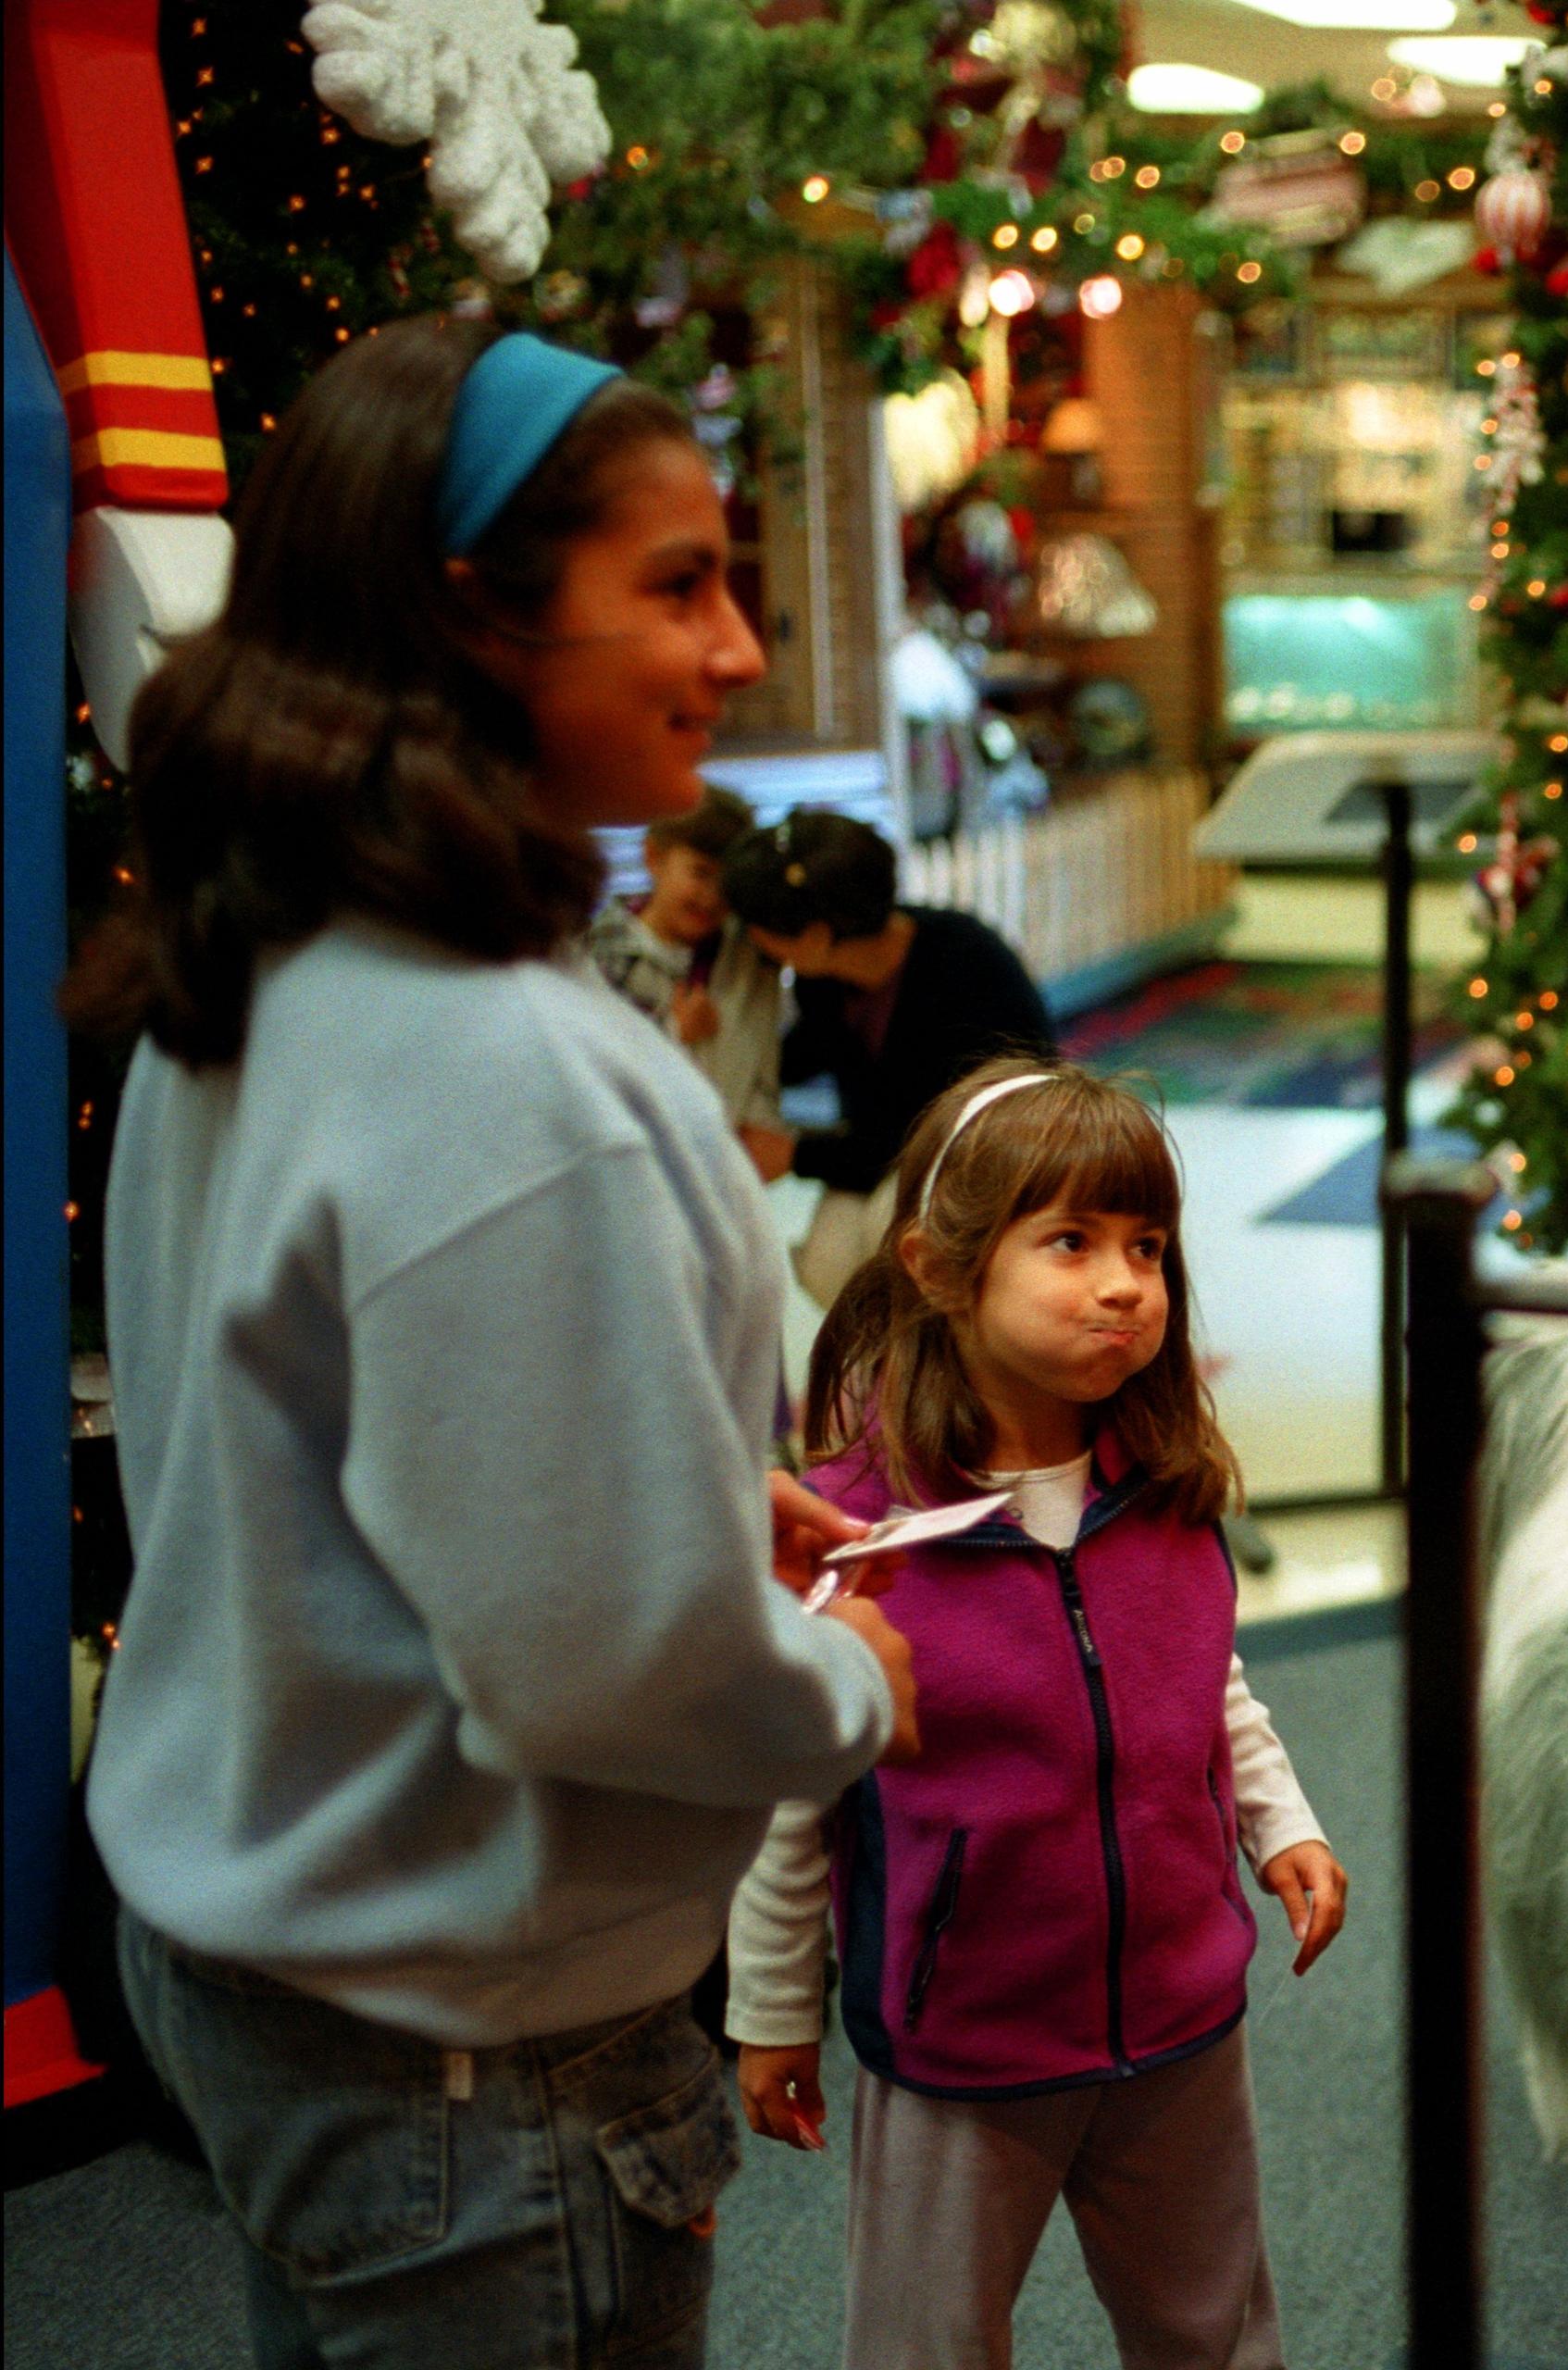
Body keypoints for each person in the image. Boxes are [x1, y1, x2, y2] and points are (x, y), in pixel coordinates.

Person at [63, 320, 925, 2368]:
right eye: (676, 584)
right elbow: (601, 1661)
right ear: (472, 612)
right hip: (478, 2058)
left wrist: (688, 1493)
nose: (735, 651)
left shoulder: (266, 954)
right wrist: (835, 1679)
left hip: (274, 1966)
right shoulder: (513, 1074)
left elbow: (347, 1443)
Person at [724, 1060, 1349, 2370]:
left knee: (1217, 2333)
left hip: (1180, 2017)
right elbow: (791, 1801)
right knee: (929, 2346)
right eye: (1070, 1242)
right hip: (967, 2041)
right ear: (943, 1269)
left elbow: (1206, 1684)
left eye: (1147, 1246)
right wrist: (773, 2007)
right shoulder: (851, 1531)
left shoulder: (1162, 1485)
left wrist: (1278, 1823)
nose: (1125, 1283)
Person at [717, 808, 1056, 1309]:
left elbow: (926, 1135)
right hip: (889, 1152)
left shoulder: (965, 968)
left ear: (814, 937)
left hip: (991, 1155)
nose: (749, 937)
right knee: (828, 1266)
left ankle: (955, 1376)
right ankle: (890, 1377)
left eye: (758, 925)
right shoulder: (825, 976)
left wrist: (792, 1154)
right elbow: (812, 1049)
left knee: (899, 1239)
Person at [586, 783, 797, 1179]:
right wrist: (672, 1031)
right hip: (645, 1170)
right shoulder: (598, 957)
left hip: (736, 1165)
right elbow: (593, 1069)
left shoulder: (751, 949)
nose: (712, 897)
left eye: (727, 882)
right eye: (700, 873)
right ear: (654, 858)